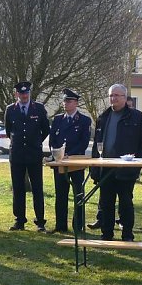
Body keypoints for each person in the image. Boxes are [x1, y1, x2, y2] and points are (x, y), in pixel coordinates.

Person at [91, 83, 142, 242]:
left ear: (125, 98)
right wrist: (94, 167)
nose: (113, 98)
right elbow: (97, 145)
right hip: (106, 168)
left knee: (125, 203)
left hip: (126, 169)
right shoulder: (103, 117)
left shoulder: (137, 117)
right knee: (106, 203)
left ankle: (127, 235)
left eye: (117, 95)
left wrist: (137, 164)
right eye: (111, 95)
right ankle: (107, 234)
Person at [4, 81, 50, 231]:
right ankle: (19, 220)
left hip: (34, 154)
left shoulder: (39, 108)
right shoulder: (10, 110)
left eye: (26, 93)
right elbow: (8, 130)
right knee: (18, 188)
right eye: (21, 93)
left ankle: (40, 221)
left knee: (37, 188)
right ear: (16, 94)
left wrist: (35, 142)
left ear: (30, 93)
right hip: (17, 155)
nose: (24, 96)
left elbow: (45, 130)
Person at [48, 88, 91, 233]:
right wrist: (57, 153)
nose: (66, 104)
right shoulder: (58, 119)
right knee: (60, 194)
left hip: (76, 163)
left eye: (69, 101)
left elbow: (84, 142)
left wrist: (70, 155)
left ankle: (78, 225)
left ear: (76, 103)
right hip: (60, 163)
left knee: (78, 194)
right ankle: (60, 226)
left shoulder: (84, 120)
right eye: (65, 101)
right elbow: (53, 139)